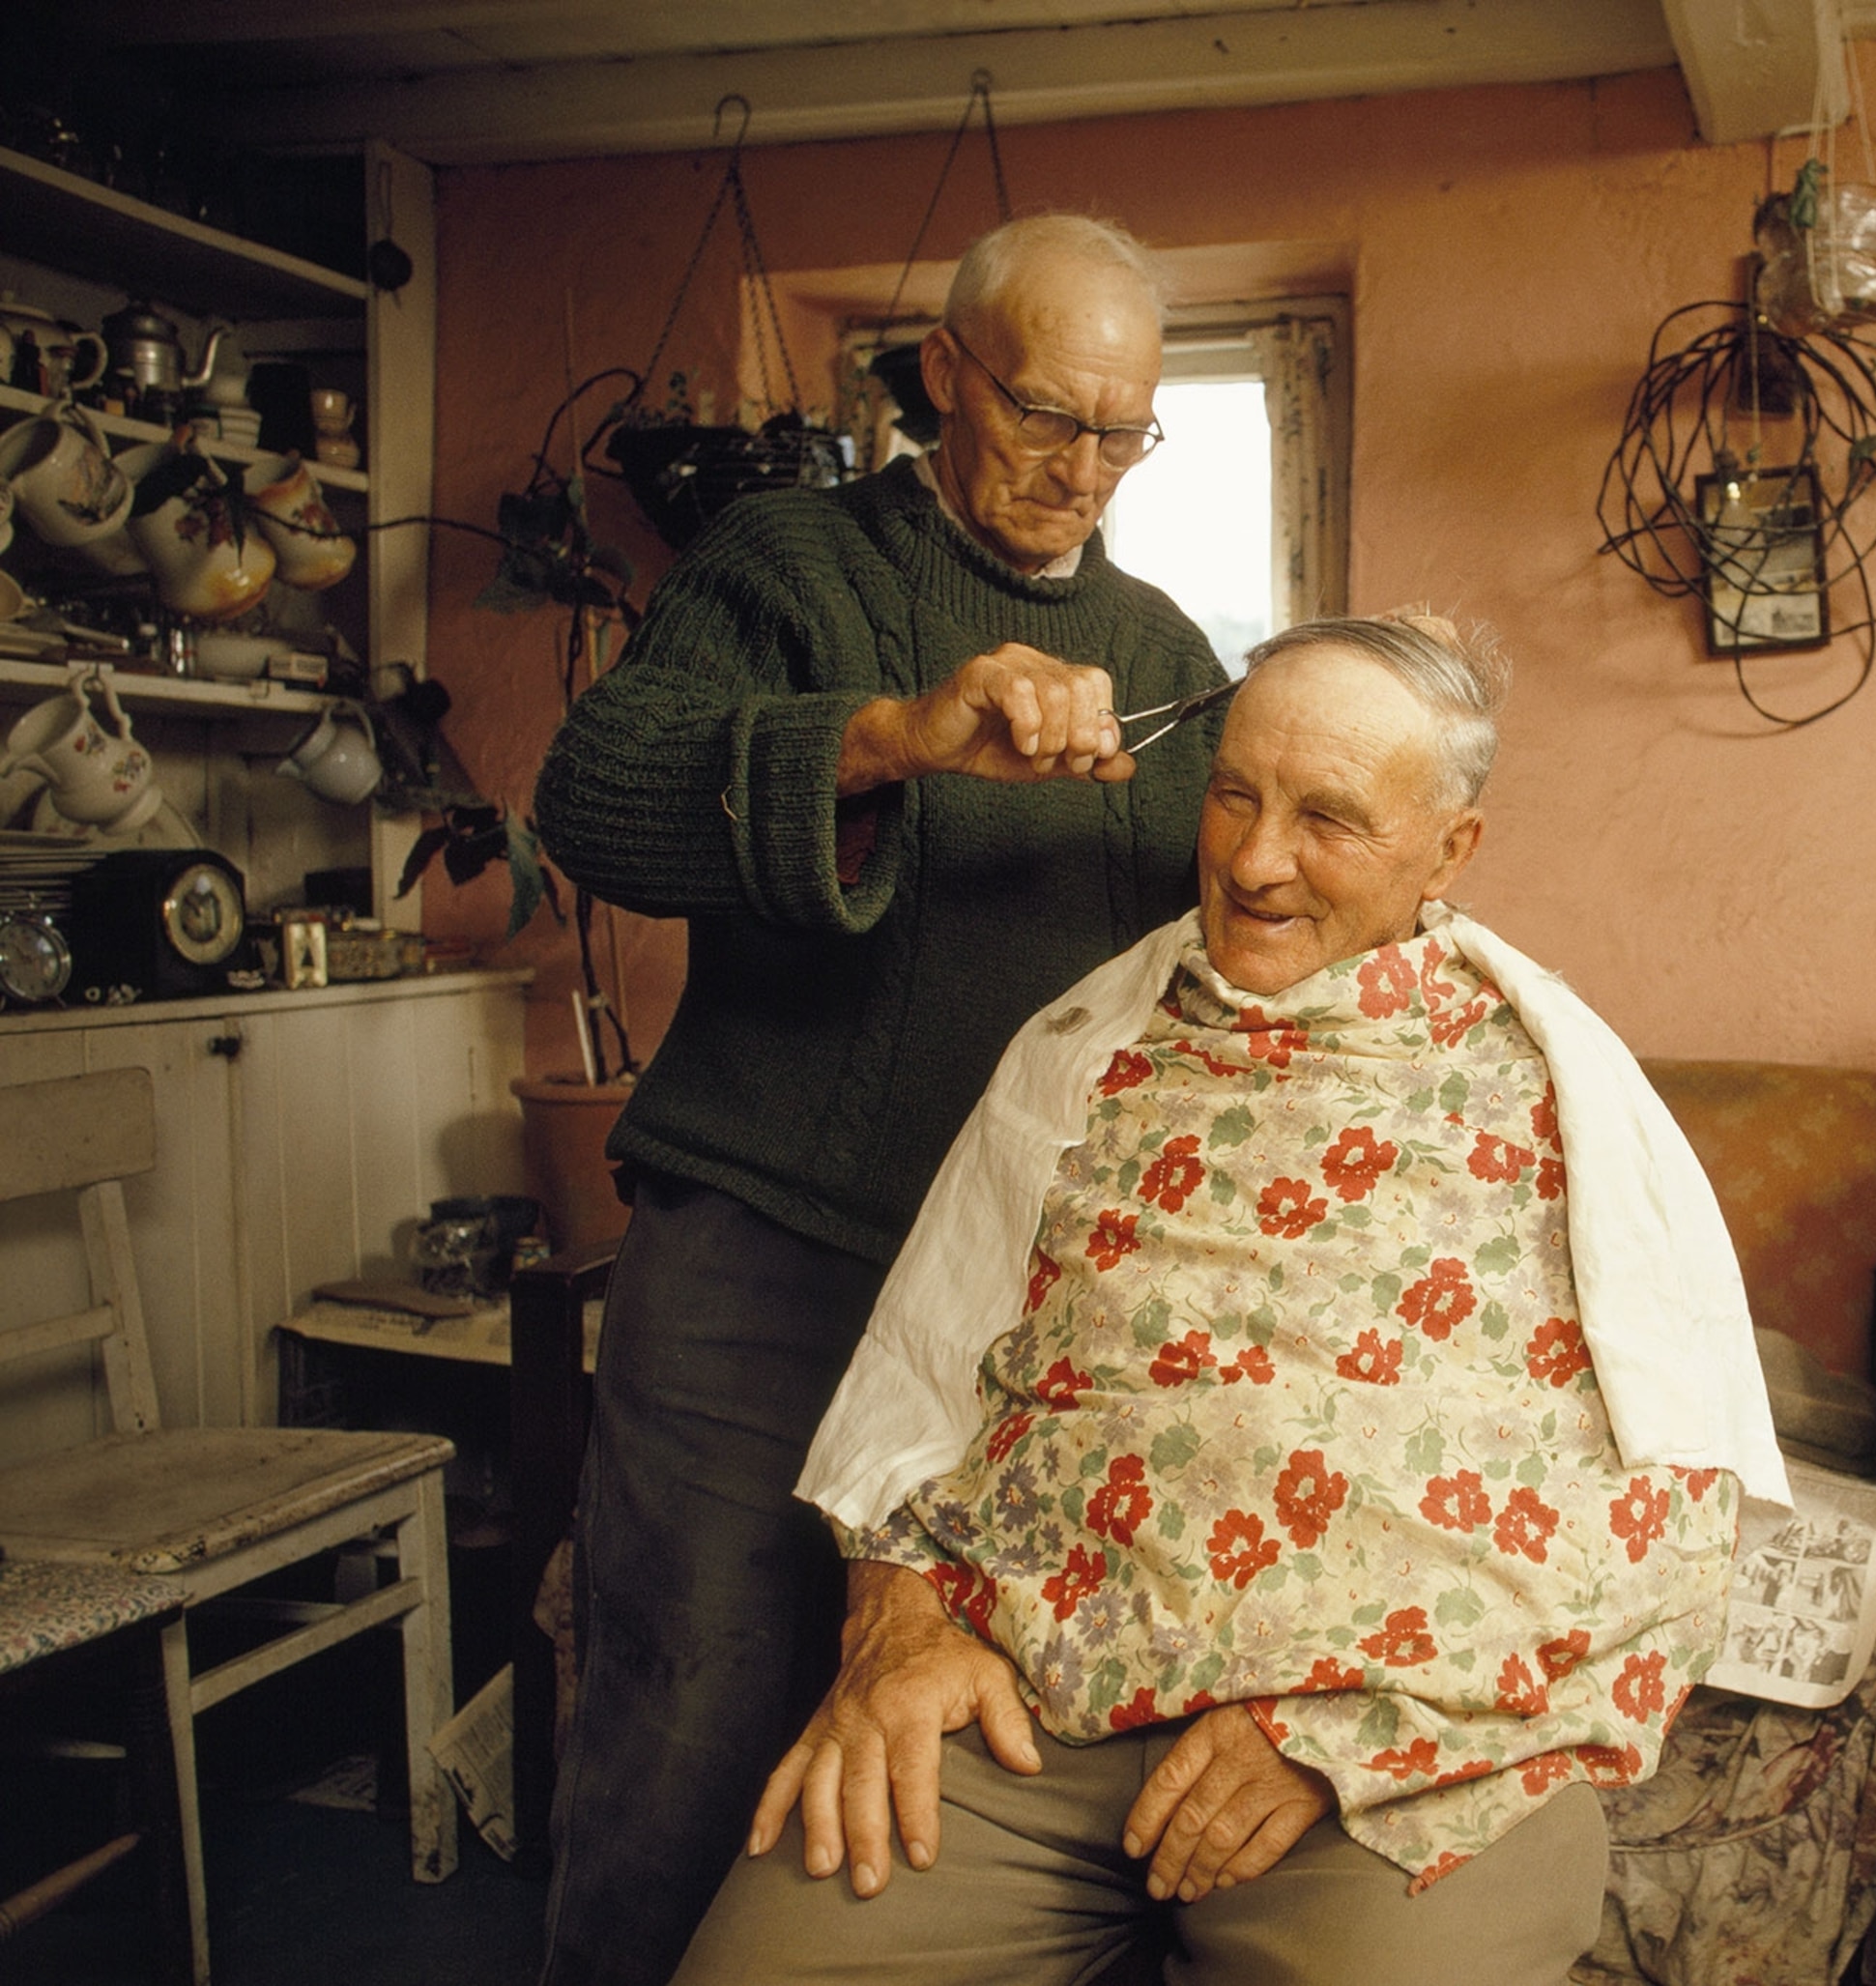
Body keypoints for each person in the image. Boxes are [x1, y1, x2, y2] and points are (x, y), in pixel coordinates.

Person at [668, 615, 1788, 1986]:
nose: (1254, 861)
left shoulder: (1557, 1089)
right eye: (1235, 794)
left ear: (1452, 850)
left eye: (1328, 818)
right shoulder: (1090, 1041)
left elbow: (1662, 1498)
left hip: (1393, 1752)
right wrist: (898, 1621)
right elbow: (928, 1360)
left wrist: (1352, 1742)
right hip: (1029, 1700)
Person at [529, 213, 1231, 1986]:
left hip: (1017, 1314)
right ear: (943, 375)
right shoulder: (789, 559)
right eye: (1049, 415)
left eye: (1124, 431)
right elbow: (593, 798)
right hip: (768, 1262)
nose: (1084, 470)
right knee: (685, 1720)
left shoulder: (1162, 655)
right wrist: (895, 738)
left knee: (938, 1774)